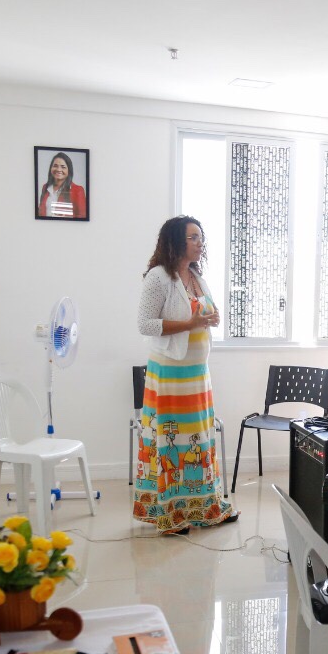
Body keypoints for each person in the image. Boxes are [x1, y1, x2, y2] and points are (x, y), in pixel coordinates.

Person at [134, 216, 236, 534]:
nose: (199, 242)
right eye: (193, 237)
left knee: (199, 441)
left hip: (196, 373)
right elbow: (145, 324)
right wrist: (190, 325)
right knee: (172, 442)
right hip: (169, 373)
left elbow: (201, 314)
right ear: (175, 240)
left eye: (201, 237)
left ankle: (205, 506)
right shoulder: (158, 277)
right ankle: (171, 513)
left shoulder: (194, 275)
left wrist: (212, 317)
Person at [37, 151, 87, 219]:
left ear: (69, 170)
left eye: (63, 167)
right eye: (55, 166)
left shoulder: (78, 190)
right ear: (51, 168)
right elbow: (40, 212)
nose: (58, 169)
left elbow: (82, 216)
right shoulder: (45, 187)